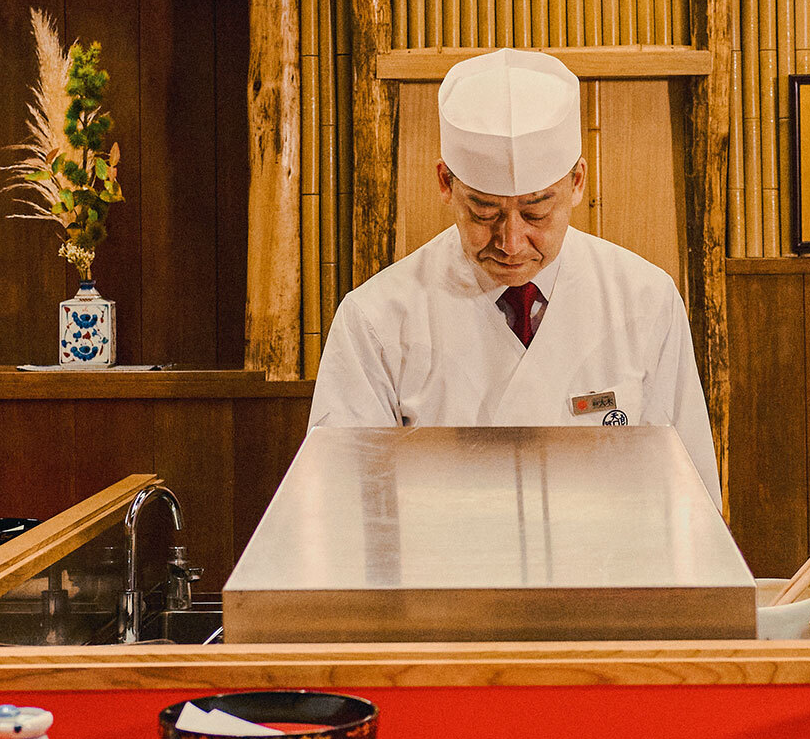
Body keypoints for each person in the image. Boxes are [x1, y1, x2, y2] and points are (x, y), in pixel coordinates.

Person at [308, 47, 722, 509]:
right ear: (446, 182)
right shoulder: (375, 319)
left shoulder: (645, 300)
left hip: (605, 575)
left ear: (578, 181)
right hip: (442, 577)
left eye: (536, 210)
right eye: (484, 210)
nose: (511, 240)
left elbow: (690, 495)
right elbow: (343, 501)